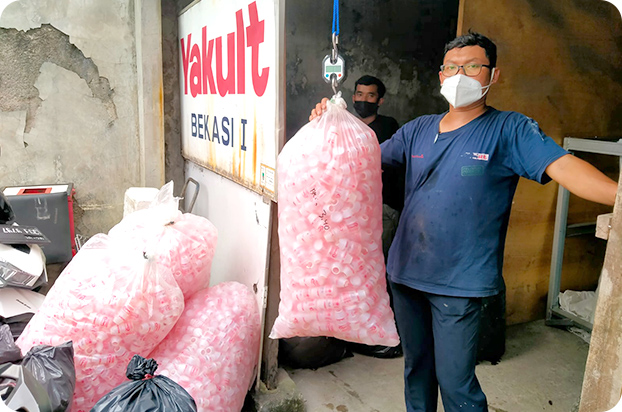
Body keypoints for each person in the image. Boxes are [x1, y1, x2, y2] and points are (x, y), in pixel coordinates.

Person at [310, 31, 617, 412]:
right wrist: (328, 124)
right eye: (452, 68)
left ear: (493, 75)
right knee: (416, 369)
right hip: (406, 273)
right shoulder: (417, 130)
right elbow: (356, 158)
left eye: (473, 66)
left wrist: (617, 194)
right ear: (441, 76)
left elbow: (562, 165)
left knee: (457, 381)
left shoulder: (510, 129)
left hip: (459, 281)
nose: (461, 76)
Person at [349, 75, 405, 359]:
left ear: (380, 100)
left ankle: (388, 336)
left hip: (382, 209)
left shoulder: (388, 127)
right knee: (357, 271)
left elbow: (379, 167)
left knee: (380, 270)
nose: (363, 100)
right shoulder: (346, 124)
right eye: (359, 94)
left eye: (370, 96)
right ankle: (362, 328)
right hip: (353, 211)